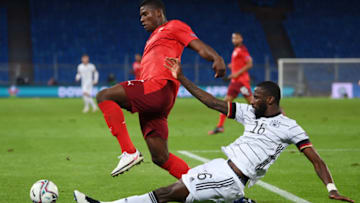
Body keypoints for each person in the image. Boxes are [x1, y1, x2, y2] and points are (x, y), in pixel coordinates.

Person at [74, 58, 354, 203]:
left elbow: (315, 158)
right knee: (178, 196)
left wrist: (331, 188)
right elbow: (211, 102)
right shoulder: (249, 113)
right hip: (221, 167)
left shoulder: (290, 126)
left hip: (232, 178)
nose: (251, 100)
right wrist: (182, 78)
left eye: (256, 97)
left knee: (167, 194)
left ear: (270, 100)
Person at [95, 0, 225, 178]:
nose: (141, 19)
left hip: (158, 86)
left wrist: (216, 58)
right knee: (160, 156)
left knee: (105, 96)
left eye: (145, 14)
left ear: (158, 13)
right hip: (157, 98)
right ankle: (200, 186)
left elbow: (199, 46)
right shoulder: (153, 38)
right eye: (140, 15)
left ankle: (129, 152)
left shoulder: (173, 26)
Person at [209, 32, 253, 135]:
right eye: (233, 38)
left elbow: (249, 63)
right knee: (225, 103)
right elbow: (239, 63)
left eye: (236, 38)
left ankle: (275, 114)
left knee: (253, 103)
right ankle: (220, 126)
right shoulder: (236, 50)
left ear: (241, 39)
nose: (234, 40)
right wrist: (232, 66)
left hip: (241, 82)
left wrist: (236, 73)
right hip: (235, 82)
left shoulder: (242, 50)